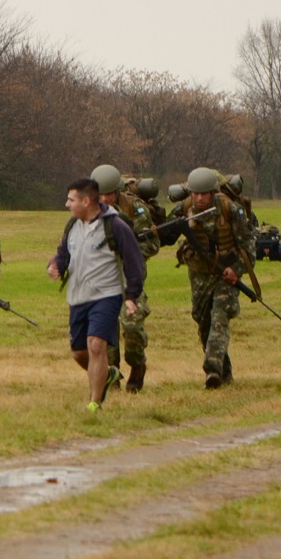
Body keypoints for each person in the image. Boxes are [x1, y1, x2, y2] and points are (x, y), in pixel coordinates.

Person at [48, 178, 145, 411]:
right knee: (79, 353)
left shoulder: (116, 226)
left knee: (96, 345)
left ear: (86, 201)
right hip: (78, 297)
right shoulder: (72, 225)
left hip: (106, 296)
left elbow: (135, 263)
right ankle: (108, 374)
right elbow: (63, 253)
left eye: (71, 200)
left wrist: (131, 296)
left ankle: (95, 402)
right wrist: (56, 265)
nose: (67, 204)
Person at [170, 167, 256, 388]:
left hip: (226, 275)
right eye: (195, 193)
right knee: (204, 323)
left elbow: (248, 245)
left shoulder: (230, 210)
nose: (199, 198)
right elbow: (165, 235)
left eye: (204, 194)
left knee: (220, 316)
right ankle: (224, 372)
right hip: (199, 275)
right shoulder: (184, 209)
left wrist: (236, 270)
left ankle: (212, 369)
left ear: (213, 193)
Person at [90, 164, 160, 391]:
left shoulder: (135, 209)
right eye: (100, 195)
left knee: (132, 330)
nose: (104, 199)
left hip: (130, 281)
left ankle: (137, 366)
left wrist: (129, 252)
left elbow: (153, 244)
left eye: (109, 194)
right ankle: (111, 377)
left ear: (117, 191)